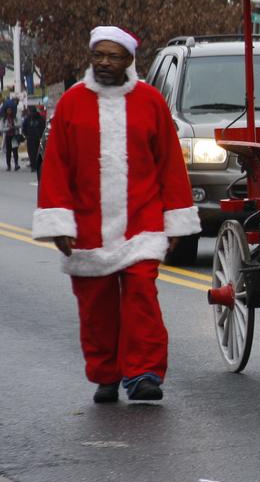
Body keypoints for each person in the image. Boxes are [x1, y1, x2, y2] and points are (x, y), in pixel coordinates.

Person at [32, 26, 201, 403]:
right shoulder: (73, 103)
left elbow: (170, 165)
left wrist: (175, 220)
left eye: (113, 56)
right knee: (96, 305)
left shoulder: (150, 102)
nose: (105, 63)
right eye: (99, 56)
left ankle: (144, 373)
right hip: (87, 225)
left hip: (142, 221)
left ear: (129, 60)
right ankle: (106, 373)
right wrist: (59, 222)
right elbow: (56, 167)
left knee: (142, 293)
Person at [21, 105, 45, 173]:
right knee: (32, 153)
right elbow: (24, 127)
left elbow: (43, 127)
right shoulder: (28, 119)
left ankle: (37, 166)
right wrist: (26, 135)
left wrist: (41, 136)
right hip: (31, 138)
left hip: (38, 138)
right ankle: (33, 166)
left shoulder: (39, 118)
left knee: (38, 153)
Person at [1, 105, 19, 171]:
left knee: (15, 151)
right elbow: (2, 128)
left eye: (10, 110)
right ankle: (8, 165)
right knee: (8, 152)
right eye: (8, 110)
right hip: (8, 136)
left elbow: (19, 124)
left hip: (14, 136)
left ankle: (16, 164)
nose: (9, 111)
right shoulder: (4, 119)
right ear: (6, 111)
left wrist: (14, 126)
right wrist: (8, 128)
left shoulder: (15, 118)